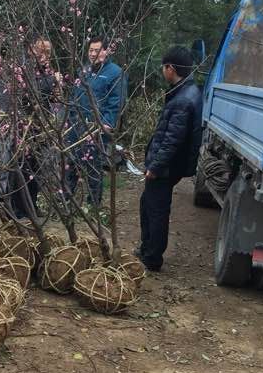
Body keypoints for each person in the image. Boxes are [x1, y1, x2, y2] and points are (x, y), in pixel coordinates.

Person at [137, 46, 202, 272]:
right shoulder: (186, 91)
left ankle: (152, 257)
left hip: (166, 168)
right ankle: (147, 248)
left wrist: (155, 167)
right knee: (148, 204)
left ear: (171, 69)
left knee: (156, 210)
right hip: (170, 166)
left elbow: (172, 140)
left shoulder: (182, 100)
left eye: (163, 67)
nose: (162, 72)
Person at [68, 37, 127, 206]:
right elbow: (75, 96)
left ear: (106, 51)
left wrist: (105, 125)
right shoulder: (84, 71)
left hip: (96, 128)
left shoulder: (115, 73)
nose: (93, 54)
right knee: (71, 162)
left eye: (97, 50)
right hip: (76, 125)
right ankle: (67, 199)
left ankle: (94, 204)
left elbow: (116, 103)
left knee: (93, 166)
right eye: (90, 50)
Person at [10, 38, 59, 219]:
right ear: (32, 51)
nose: (45, 56)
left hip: (41, 125)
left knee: (36, 167)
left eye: (48, 52)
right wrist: (52, 81)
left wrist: (56, 88)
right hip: (25, 125)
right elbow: (32, 94)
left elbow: (51, 98)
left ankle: (31, 204)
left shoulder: (47, 71)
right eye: (41, 51)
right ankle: (18, 208)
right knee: (22, 167)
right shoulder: (25, 71)